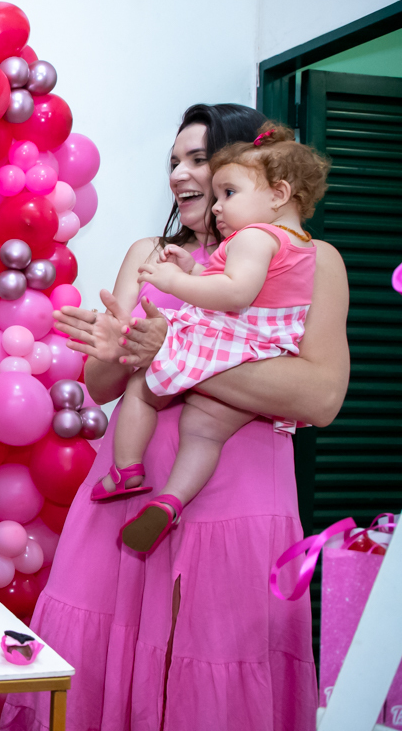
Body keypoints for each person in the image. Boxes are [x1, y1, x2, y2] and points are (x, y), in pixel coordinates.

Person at [0, 104, 349, 731]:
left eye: (199, 160)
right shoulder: (151, 256)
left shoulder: (311, 259)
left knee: (213, 665)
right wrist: (115, 349)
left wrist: (172, 356)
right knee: (97, 657)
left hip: (238, 501)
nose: (180, 175)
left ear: (254, 173)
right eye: (174, 161)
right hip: (129, 493)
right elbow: (102, 384)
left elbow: (320, 398)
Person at [98, 122, 329, 554]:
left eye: (228, 191)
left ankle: (127, 469)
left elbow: (235, 292)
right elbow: (239, 279)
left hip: (232, 353)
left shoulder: (257, 238)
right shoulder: (294, 245)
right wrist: (192, 271)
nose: (179, 175)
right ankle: (171, 500)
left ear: (277, 193)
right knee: (203, 434)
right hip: (259, 352)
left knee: (145, 388)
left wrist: (174, 287)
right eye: (173, 162)